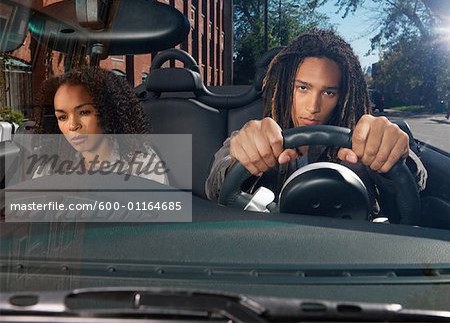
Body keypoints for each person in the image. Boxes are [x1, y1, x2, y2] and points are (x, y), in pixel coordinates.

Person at [205, 29, 427, 218]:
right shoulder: (255, 134)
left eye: (329, 92)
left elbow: (416, 184)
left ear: (342, 97)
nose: (313, 106)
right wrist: (242, 158)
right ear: (285, 88)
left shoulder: (362, 140)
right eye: (303, 88)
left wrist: (393, 156)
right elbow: (215, 185)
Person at [33, 67, 168, 184]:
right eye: (62, 117)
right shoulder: (51, 163)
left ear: (107, 112)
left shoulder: (141, 162)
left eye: (84, 112)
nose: (72, 126)